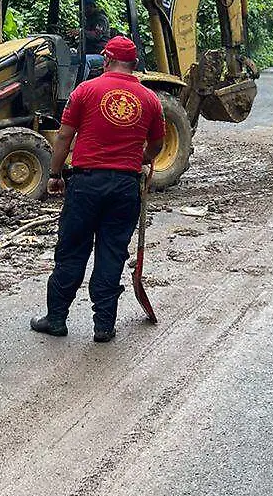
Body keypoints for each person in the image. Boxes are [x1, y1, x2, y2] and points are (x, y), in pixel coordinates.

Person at [31, 36, 165, 343]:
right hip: (125, 187)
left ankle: (56, 319)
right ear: (133, 65)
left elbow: (64, 136)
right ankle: (104, 326)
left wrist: (54, 174)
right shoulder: (149, 99)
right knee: (111, 253)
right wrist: (141, 158)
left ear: (106, 59)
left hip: (86, 184)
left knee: (72, 251)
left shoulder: (86, 91)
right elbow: (156, 144)